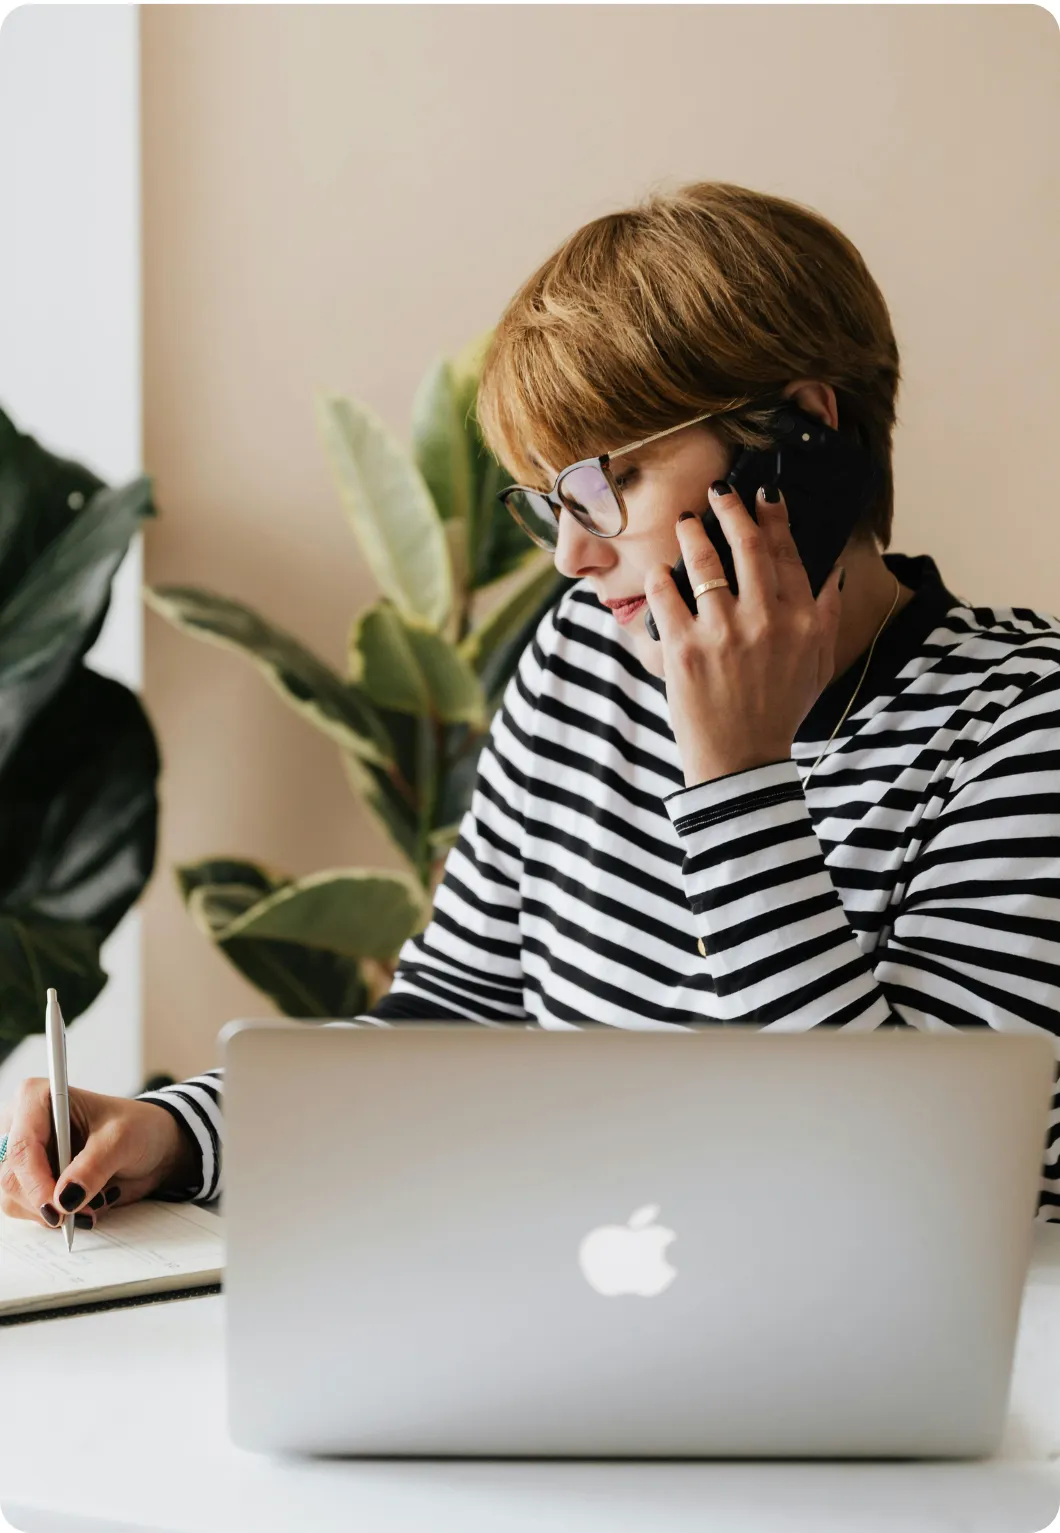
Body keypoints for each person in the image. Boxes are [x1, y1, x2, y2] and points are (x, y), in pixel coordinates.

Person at [3, 180, 1059, 1231]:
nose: (571, 555)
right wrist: (180, 1133)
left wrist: (738, 778)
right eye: (551, 500)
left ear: (800, 439)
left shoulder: (1020, 726)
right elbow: (453, 1023)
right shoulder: (584, 662)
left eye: (612, 481)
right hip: (592, 1341)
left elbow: (918, 1202)